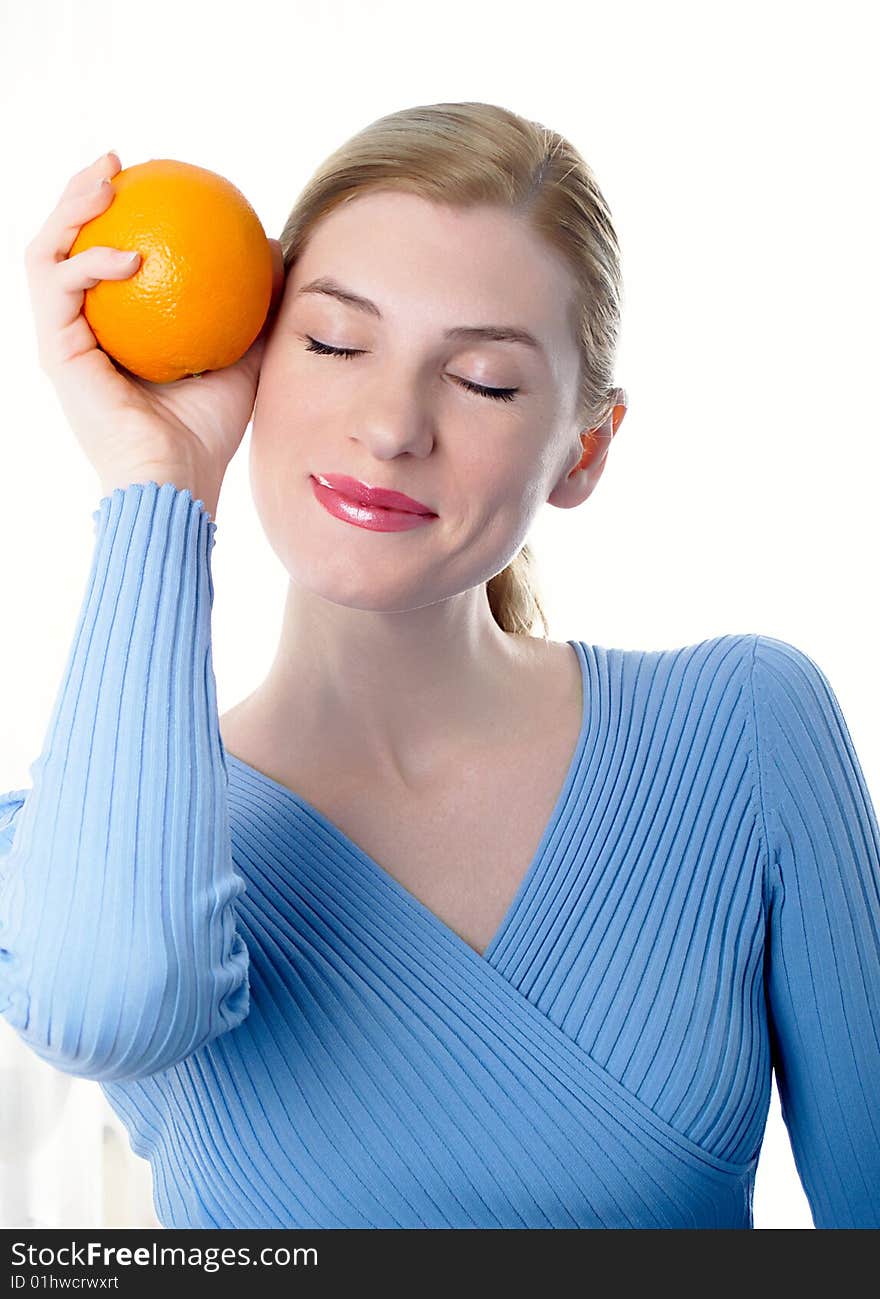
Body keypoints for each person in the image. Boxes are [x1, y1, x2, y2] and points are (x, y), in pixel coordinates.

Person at [1, 101, 878, 1230]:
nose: (389, 425)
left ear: (584, 449)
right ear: (254, 357)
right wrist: (156, 485)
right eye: (331, 344)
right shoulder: (108, 839)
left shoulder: (742, 732)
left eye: (483, 381)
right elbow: (110, 1005)